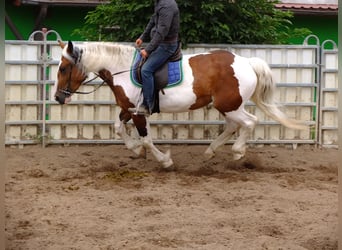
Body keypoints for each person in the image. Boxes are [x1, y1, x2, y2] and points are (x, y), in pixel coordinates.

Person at [128, 0, 180, 116]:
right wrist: (143, 37)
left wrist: (148, 50)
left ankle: (147, 105)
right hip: (160, 43)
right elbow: (153, 20)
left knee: (146, 70)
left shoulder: (167, 5)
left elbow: (162, 31)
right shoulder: (159, 3)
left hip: (167, 46)